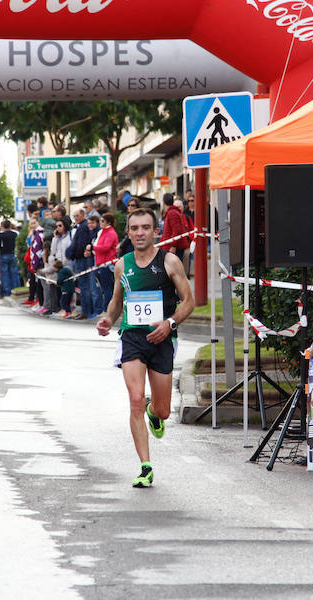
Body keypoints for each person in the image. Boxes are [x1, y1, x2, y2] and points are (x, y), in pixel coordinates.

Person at [96, 207, 194, 488]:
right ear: (128, 233)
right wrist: (107, 319)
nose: (140, 233)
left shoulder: (170, 261)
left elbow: (189, 301)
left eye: (145, 228)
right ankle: (145, 466)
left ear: (155, 231)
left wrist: (170, 323)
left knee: (162, 410)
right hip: (132, 338)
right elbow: (117, 302)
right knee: (135, 399)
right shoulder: (122, 265)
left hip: (162, 338)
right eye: (135, 228)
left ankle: (155, 412)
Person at [93, 212, 118, 311]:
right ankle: (106, 308)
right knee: (103, 288)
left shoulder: (110, 233)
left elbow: (105, 247)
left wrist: (93, 248)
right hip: (101, 263)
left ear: (108, 222)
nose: (100, 223)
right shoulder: (102, 232)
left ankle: (108, 308)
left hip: (107, 263)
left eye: (102, 221)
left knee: (107, 288)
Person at [160, 193, 190, 261]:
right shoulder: (173, 212)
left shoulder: (172, 213)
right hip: (173, 247)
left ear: (163, 202)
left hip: (173, 248)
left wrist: (173, 246)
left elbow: (177, 231)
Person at [0, 219, 20, 296]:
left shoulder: (1, 235)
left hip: (4, 254)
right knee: (14, 273)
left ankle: (7, 291)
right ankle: (15, 289)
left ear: (2, 226)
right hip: (12, 254)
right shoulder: (14, 234)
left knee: (5, 274)